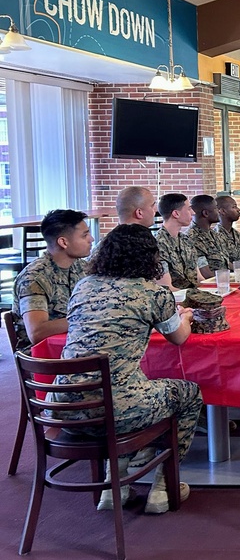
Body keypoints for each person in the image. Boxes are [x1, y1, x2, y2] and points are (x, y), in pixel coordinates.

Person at [53, 224, 202, 514]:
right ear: (149, 257)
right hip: (116, 409)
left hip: (63, 407)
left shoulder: (84, 285)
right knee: (187, 394)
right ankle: (162, 489)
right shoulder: (152, 292)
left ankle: (114, 486)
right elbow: (179, 337)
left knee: (134, 387)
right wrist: (185, 316)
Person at [10, 209, 93, 355]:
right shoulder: (35, 277)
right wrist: (86, 318)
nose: (91, 239)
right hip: (45, 356)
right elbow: (37, 332)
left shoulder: (82, 267)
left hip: (76, 345)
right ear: (63, 242)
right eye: (84, 235)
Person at [155, 193, 206, 288]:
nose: (193, 212)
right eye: (188, 209)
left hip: (194, 295)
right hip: (177, 299)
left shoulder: (186, 240)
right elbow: (167, 288)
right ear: (176, 214)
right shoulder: (158, 244)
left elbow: (199, 279)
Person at [187, 194, 229, 272]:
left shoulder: (214, 234)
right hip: (213, 282)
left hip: (224, 279)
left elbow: (225, 262)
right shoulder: (193, 238)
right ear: (205, 213)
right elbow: (205, 274)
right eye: (216, 208)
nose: (219, 211)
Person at [214, 195, 240, 265]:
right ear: (222, 211)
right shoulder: (216, 235)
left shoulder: (236, 234)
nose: (238, 209)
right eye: (234, 207)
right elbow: (225, 263)